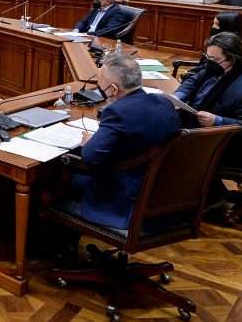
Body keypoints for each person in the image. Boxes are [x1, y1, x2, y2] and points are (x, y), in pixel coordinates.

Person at [66, 54, 182, 230]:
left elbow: (91, 156)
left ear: (113, 89)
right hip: (166, 199)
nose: (99, 87)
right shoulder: (164, 103)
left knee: (59, 178)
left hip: (128, 201)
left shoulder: (118, 112)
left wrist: (89, 142)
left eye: (100, 84)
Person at [173, 31, 242, 168]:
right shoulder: (218, 64)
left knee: (164, 148)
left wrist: (217, 121)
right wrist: (179, 95)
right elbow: (193, 80)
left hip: (223, 144)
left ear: (232, 59)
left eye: (215, 59)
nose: (210, 63)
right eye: (208, 57)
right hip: (195, 129)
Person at [179, 11, 242, 81]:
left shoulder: (227, 49)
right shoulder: (222, 44)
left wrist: (188, 75)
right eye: (213, 23)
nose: (213, 27)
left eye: (216, 24)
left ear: (227, 27)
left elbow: (207, 68)